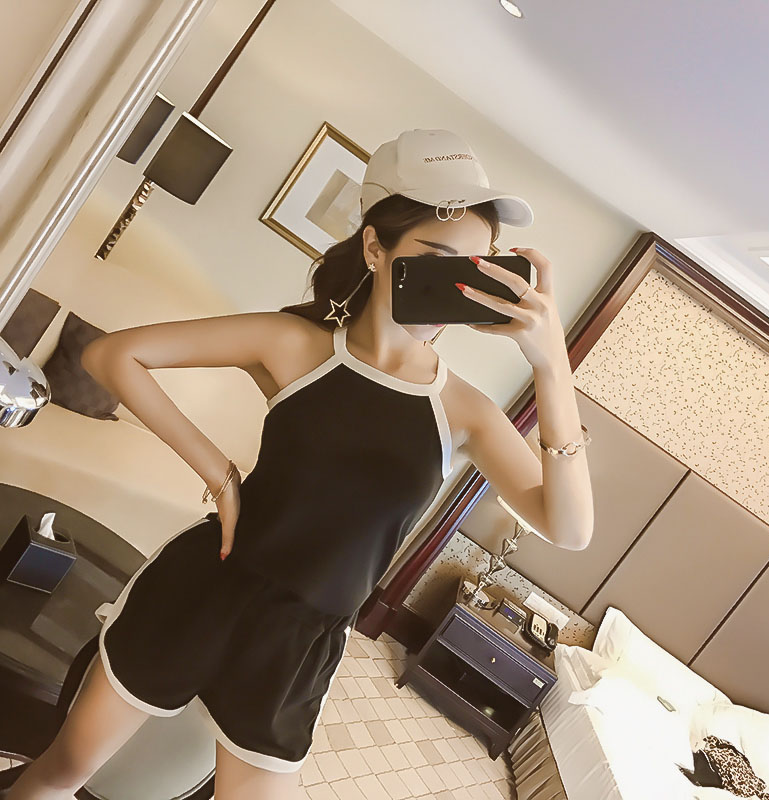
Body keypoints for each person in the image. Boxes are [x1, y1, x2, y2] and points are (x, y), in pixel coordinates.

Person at [8, 128, 594, 800]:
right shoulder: (295, 343)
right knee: (61, 775)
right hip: (203, 588)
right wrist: (219, 474)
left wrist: (552, 366)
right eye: (434, 262)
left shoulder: (466, 413)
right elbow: (112, 355)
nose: (453, 286)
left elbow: (569, 528)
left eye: (474, 269)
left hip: (299, 647)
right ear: (375, 248)